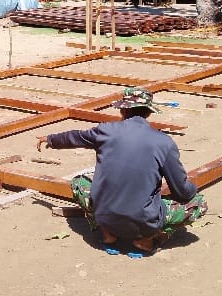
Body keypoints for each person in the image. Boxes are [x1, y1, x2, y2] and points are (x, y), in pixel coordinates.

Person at [36, 86, 207, 255]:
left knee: (78, 183)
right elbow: (182, 190)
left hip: (104, 216)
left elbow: (75, 137)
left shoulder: (105, 131)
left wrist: (50, 139)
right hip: (144, 221)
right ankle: (146, 240)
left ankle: (108, 234)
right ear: (149, 112)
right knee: (199, 203)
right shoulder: (164, 142)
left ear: (122, 110)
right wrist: (190, 192)